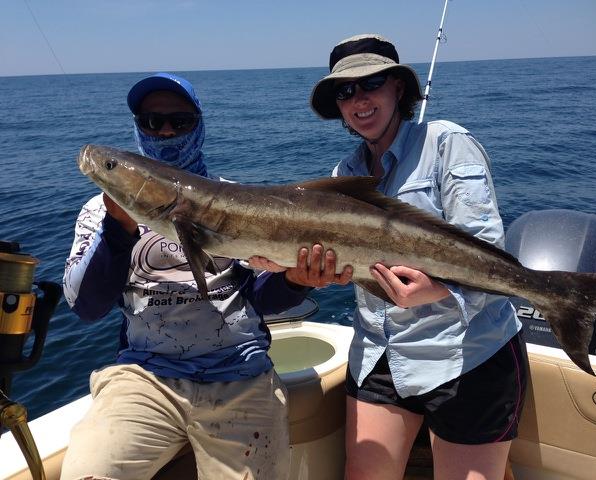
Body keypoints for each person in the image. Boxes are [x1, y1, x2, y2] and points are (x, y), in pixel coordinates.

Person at [61, 72, 351, 480]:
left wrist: (298, 280)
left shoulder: (234, 200)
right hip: (146, 375)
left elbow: (258, 300)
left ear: (199, 126)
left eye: (179, 122)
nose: (164, 131)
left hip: (239, 373)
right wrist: (118, 229)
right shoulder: (99, 213)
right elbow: (86, 307)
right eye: (150, 121)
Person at [309, 34, 528, 480]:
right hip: (379, 354)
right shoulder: (343, 176)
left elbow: (489, 250)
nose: (359, 99)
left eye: (371, 83)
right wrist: (317, 275)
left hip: (468, 353)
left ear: (399, 89)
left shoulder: (446, 143)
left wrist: (437, 289)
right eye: (345, 91)